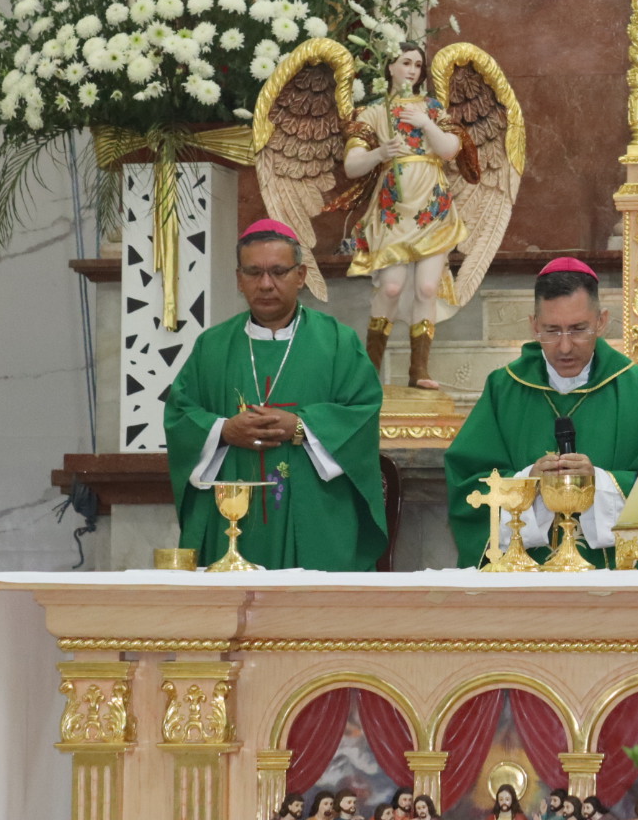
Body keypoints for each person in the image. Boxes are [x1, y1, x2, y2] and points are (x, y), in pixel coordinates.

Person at [165, 220, 387, 570]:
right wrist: (224, 431)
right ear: (239, 280)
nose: (265, 284)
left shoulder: (338, 343)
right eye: (253, 273)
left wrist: (301, 426)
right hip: (230, 520)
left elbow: (363, 411)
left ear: (300, 276)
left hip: (316, 514)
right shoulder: (212, 347)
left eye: (278, 272)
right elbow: (180, 415)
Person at [446, 258, 638, 568]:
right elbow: (467, 488)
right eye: (552, 331)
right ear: (534, 325)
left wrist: (600, 483)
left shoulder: (636, 389)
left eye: (579, 329)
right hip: (524, 577)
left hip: (615, 576)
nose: (565, 347)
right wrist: (528, 484)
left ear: (602, 321)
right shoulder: (504, 388)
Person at [345, 42, 467, 390]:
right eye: (405, 63)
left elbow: (450, 150)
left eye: (417, 64)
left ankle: (419, 370)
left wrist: (426, 123)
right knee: (393, 285)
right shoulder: (373, 112)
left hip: (432, 205)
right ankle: (370, 368)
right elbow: (352, 165)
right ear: (389, 68)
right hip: (393, 208)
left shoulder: (432, 107)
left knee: (428, 287)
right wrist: (380, 153)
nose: (412, 70)